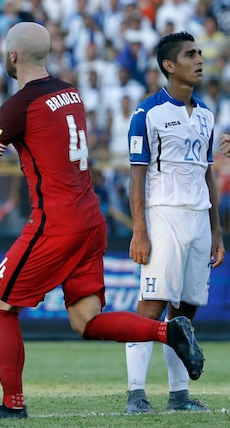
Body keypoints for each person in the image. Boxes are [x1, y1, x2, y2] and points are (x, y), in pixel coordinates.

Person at [0, 22, 205, 420]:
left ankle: (12, 405)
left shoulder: (17, 106)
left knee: (1, 306)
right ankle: (168, 331)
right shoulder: (70, 92)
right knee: (86, 321)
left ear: (12, 56)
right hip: (90, 221)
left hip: (55, 224)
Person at [125, 31, 225, 414]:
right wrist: (139, 231)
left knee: (185, 312)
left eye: (200, 52)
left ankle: (178, 396)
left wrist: (216, 230)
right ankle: (136, 393)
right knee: (150, 307)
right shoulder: (147, 113)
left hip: (199, 220)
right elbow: (137, 175)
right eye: (190, 54)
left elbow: (208, 174)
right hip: (163, 215)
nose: (199, 59)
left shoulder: (206, 114)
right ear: (169, 66)